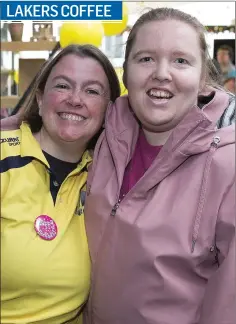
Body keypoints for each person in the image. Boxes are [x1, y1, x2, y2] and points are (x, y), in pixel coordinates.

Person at [83, 8, 235, 324]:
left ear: (203, 77)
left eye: (181, 60)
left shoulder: (227, 167)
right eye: (146, 59)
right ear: (125, 73)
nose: (161, 73)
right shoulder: (104, 138)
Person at [0, 44, 120, 324]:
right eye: (63, 86)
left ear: (109, 110)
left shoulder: (108, 177)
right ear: (40, 99)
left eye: (92, 91)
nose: (75, 100)